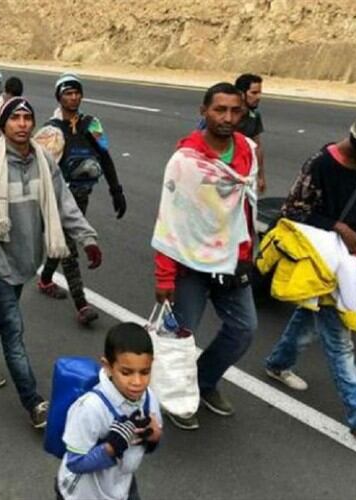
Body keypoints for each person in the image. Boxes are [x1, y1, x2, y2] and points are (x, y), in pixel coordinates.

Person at [0, 97, 101, 428]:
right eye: (15, 118)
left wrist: (87, 237)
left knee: (1, 319)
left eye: (27, 117)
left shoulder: (44, 161)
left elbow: (64, 204)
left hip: (26, 258)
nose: (21, 123)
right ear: (3, 124)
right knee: (14, 330)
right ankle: (34, 403)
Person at [263, 111, 356, 444]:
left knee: (308, 317)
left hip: (348, 264)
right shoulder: (321, 164)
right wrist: (337, 227)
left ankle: (277, 362)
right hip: (319, 259)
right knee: (340, 343)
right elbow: (293, 210)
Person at [152, 82, 258, 431]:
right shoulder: (186, 161)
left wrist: (248, 252)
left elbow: (246, 207)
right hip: (190, 264)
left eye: (235, 111)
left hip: (233, 261)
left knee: (244, 329)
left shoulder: (248, 151)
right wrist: (164, 276)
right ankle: (173, 396)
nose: (228, 118)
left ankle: (203, 381)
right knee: (180, 337)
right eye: (219, 110)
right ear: (204, 112)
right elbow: (171, 220)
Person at [35, 73, 127, 326]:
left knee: (64, 239)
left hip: (82, 197)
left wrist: (115, 190)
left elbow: (105, 157)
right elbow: (39, 170)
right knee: (68, 247)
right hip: (58, 198)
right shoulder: (51, 131)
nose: (73, 97)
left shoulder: (90, 124)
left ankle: (45, 280)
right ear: (59, 97)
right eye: (68, 93)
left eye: (77, 92)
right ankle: (82, 304)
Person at [56, 323, 162, 500]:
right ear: (107, 366)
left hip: (121, 488)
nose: (137, 382)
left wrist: (154, 436)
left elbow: (146, 446)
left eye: (144, 372)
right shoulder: (90, 408)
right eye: (126, 372)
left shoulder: (149, 398)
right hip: (81, 495)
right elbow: (74, 463)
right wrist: (111, 447)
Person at [235, 74, 267, 193]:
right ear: (241, 94)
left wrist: (260, 176)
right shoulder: (225, 116)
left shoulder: (254, 116)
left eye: (259, 92)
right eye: (254, 93)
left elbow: (257, 147)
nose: (258, 97)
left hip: (244, 174)